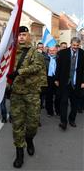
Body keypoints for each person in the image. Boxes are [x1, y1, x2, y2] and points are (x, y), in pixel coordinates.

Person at [7, 26, 46, 168]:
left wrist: (19, 72)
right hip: (16, 94)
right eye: (19, 35)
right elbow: (4, 69)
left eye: (24, 34)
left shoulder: (35, 52)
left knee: (32, 125)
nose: (21, 37)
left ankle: (29, 139)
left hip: (31, 94)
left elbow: (37, 67)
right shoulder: (10, 53)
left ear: (28, 36)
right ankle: (19, 153)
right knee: (17, 125)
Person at [55, 37, 84, 130]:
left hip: (77, 82)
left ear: (79, 45)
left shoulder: (83, 53)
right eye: (74, 45)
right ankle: (63, 122)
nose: (75, 47)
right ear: (70, 44)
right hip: (65, 82)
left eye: (77, 45)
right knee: (63, 102)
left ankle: (72, 120)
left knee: (74, 103)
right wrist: (56, 79)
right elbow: (58, 67)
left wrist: (83, 82)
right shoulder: (63, 53)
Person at [45, 46, 60, 116]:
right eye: (50, 50)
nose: (52, 52)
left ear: (56, 50)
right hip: (48, 78)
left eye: (53, 50)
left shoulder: (59, 58)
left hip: (57, 78)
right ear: (48, 51)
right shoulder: (44, 58)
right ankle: (49, 111)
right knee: (49, 96)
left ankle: (57, 110)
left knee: (58, 96)